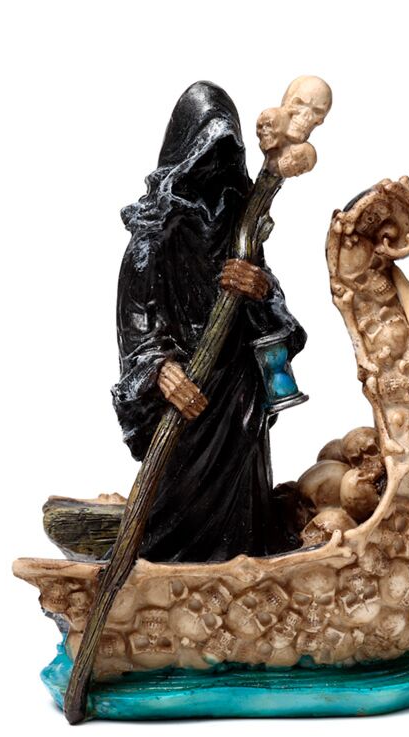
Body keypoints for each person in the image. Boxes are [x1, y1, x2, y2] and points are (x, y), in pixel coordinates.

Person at [112, 81, 305, 563]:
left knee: (241, 496)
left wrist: (258, 288)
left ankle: (245, 567)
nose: (214, 167)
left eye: (225, 154)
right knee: (178, 489)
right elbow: (136, 324)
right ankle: (164, 568)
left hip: (236, 389)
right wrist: (161, 370)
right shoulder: (153, 236)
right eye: (205, 153)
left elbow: (272, 313)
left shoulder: (242, 227)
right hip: (187, 391)